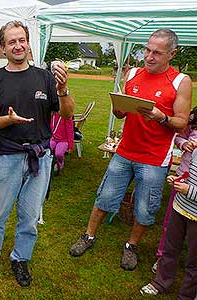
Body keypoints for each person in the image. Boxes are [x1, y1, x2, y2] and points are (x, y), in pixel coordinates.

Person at [68, 29, 192, 272]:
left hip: (155, 158)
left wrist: (161, 117)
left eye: (157, 52)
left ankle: (131, 246)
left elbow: (182, 122)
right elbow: (121, 110)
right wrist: (119, 109)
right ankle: (89, 236)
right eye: (147, 49)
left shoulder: (180, 81)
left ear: (172, 54)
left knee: (145, 208)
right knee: (105, 197)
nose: (149, 56)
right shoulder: (133, 73)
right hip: (124, 151)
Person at [0, 21, 74, 287]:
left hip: (40, 157)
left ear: (28, 43)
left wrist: (63, 90)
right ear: (3, 48)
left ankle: (20, 258)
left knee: (29, 217)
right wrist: (8, 121)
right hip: (7, 157)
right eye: (11, 42)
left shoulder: (45, 77)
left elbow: (66, 114)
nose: (18, 46)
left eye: (22, 40)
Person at [140, 148, 197, 299]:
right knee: (170, 249)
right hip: (180, 207)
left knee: (193, 262)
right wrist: (180, 180)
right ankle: (160, 283)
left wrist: (189, 190)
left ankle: (186, 296)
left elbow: (191, 188)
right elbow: (191, 176)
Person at [151, 106, 197, 274]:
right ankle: (163, 257)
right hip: (184, 176)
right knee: (170, 223)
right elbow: (178, 135)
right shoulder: (193, 118)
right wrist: (185, 143)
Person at [50, 111, 74, 176]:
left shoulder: (66, 117)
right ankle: (49, 165)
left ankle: (60, 165)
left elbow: (70, 131)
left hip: (63, 140)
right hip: (53, 138)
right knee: (48, 149)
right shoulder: (52, 115)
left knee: (59, 154)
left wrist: (70, 146)